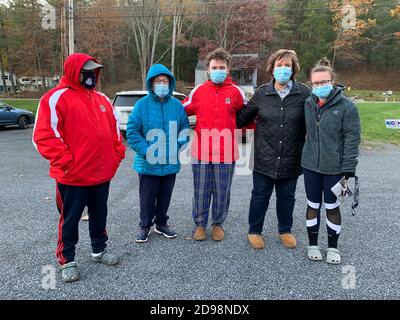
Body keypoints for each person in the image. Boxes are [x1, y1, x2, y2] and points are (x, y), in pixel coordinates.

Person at [33, 53, 126, 282]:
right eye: (86, 71)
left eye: (94, 71)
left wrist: (116, 156)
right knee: (70, 218)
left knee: (99, 213)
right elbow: (44, 136)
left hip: (102, 175)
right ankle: (67, 259)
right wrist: (67, 163)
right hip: (72, 176)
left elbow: (115, 133)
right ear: (74, 71)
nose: (91, 75)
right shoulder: (55, 98)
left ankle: (99, 250)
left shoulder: (102, 99)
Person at [236, 49, 310, 250]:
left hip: (291, 158)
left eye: (287, 65)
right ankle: (254, 230)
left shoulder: (303, 93)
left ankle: (285, 230)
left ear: (293, 69)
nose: (283, 69)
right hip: (263, 158)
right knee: (260, 195)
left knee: (287, 197)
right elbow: (241, 118)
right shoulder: (261, 93)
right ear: (272, 68)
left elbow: (314, 120)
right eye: (279, 65)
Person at [183, 48, 247, 241]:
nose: (218, 70)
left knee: (222, 191)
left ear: (228, 69)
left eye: (222, 67)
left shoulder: (236, 92)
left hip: (226, 153)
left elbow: (248, 116)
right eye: (214, 67)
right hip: (201, 152)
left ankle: (218, 223)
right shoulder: (199, 91)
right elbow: (180, 110)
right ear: (208, 70)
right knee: (201, 191)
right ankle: (200, 224)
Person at [302, 57, 361, 264]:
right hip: (310, 166)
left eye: (324, 82)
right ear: (311, 83)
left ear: (332, 81)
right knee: (312, 204)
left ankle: (333, 247)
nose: (320, 86)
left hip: (334, 168)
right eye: (316, 83)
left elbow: (352, 138)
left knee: (332, 205)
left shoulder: (346, 107)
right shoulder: (308, 103)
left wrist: (348, 168)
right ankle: (312, 244)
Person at [127, 64, 189, 243]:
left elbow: (184, 127)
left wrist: (177, 145)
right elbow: (132, 131)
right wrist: (147, 151)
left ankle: (161, 224)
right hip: (148, 162)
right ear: (151, 84)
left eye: (165, 81)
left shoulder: (177, 105)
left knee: (165, 196)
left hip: (169, 162)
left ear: (170, 83)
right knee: (147, 197)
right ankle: (144, 225)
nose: (162, 84)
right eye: (157, 81)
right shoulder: (141, 105)